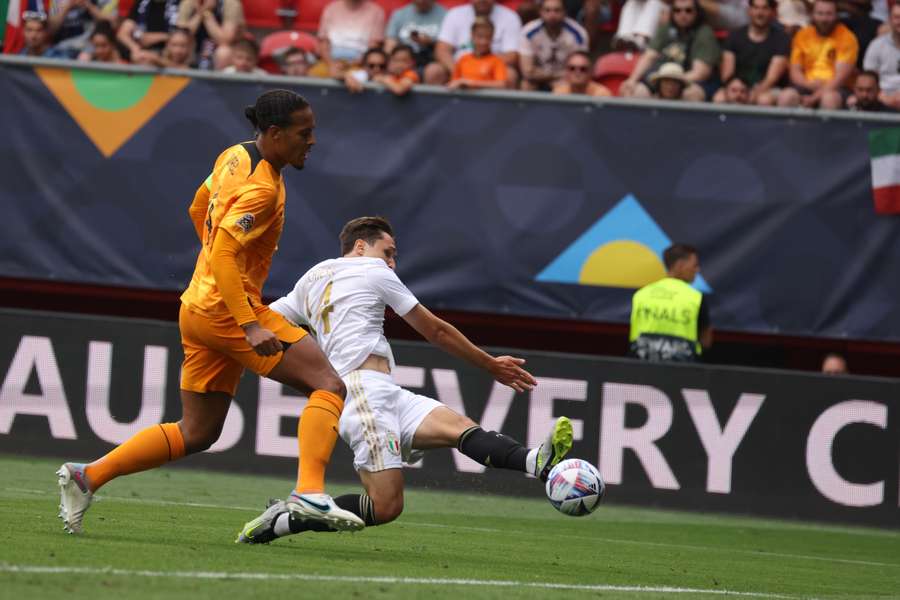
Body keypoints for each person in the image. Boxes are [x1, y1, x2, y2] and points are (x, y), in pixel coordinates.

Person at [57, 90, 364, 536]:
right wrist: (249, 323)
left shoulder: (235, 155)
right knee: (329, 384)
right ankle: (309, 492)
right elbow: (223, 252)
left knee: (199, 430)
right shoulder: (261, 188)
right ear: (276, 134)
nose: (312, 141)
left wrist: (217, 270)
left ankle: (89, 476)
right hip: (227, 312)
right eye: (305, 132)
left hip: (196, 307)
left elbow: (199, 207)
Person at [235, 216, 572, 544]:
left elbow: (269, 319)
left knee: (460, 429)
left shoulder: (311, 279)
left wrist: (234, 329)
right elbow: (436, 330)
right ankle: (288, 519)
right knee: (386, 506)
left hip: (382, 392)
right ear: (361, 246)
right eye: (388, 252)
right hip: (363, 394)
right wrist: (490, 365)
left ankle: (535, 462)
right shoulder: (373, 269)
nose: (392, 262)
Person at [619, 0, 721, 102]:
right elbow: (649, 56)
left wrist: (672, 81)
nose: (683, 14)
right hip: (660, 78)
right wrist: (632, 80)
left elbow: (700, 73)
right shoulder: (666, 28)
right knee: (634, 91)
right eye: (677, 10)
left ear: (697, 12)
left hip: (689, 80)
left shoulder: (704, 33)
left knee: (691, 94)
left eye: (688, 10)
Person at [628, 243, 712, 362]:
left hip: (641, 364)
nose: (697, 270)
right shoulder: (695, 297)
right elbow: (706, 341)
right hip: (682, 369)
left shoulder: (641, 294)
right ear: (680, 265)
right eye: (694, 265)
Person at [777, 0, 858, 109]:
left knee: (829, 99)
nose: (824, 19)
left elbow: (840, 78)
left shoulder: (847, 38)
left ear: (836, 16)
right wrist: (808, 84)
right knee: (786, 96)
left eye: (829, 14)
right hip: (807, 84)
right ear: (812, 15)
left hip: (836, 88)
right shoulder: (802, 35)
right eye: (820, 13)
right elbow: (795, 71)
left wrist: (815, 97)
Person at [425, 0, 522, 85]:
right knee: (433, 70)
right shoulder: (454, 14)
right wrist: (459, 72)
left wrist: (479, 69)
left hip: (492, 69)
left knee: (510, 75)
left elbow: (512, 56)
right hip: (458, 67)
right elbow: (442, 50)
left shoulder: (510, 17)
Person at [716, 0, 790, 106]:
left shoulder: (781, 39)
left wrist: (751, 94)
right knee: (720, 98)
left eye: (765, 8)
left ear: (773, 12)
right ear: (749, 10)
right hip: (738, 86)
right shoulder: (734, 36)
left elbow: (771, 79)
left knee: (764, 100)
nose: (760, 13)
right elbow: (727, 75)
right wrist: (737, 92)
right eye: (756, 8)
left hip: (769, 89)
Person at [519, 0, 589, 91]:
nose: (552, 15)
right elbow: (527, 72)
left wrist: (557, 78)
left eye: (557, 10)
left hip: (564, 80)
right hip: (537, 80)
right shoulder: (528, 32)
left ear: (565, 12)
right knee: (526, 85)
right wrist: (553, 76)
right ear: (540, 12)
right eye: (547, 10)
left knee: (569, 85)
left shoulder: (578, 34)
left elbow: (578, 69)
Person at [316, 0, 386, 77]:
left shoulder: (376, 12)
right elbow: (323, 43)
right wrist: (331, 64)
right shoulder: (331, 8)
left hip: (360, 64)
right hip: (330, 62)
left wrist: (349, 65)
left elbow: (373, 47)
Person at [175, 0, 245, 70]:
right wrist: (200, 13)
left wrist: (207, 14)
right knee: (179, 47)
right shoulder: (188, 3)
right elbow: (181, 36)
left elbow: (226, 40)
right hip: (195, 47)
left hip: (217, 49)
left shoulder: (231, 3)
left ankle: (220, 80)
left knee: (224, 52)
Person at [448, 17, 510, 90]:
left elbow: (501, 84)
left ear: (492, 38)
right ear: (472, 36)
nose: (483, 41)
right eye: (480, 37)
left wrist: (471, 83)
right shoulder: (463, 59)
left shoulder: (497, 61)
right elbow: (453, 82)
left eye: (488, 37)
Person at [384, 0, 447, 68]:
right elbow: (390, 44)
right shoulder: (399, 14)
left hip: (431, 60)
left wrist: (430, 42)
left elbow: (447, 48)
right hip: (404, 60)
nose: (421, 1)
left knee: (433, 70)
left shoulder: (445, 14)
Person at [117, 0, 179, 65]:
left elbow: (183, 35)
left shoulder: (178, 4)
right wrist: (135, 49)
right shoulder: (141, 3)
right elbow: (122, 34)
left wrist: (160, 37)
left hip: (166, 54)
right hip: (141, 53)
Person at [863, 2, 900, 109]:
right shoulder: (876, 45)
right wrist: (883, 97)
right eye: (897, 17)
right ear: (889, 20)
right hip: (880, 99)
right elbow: (868, 79)